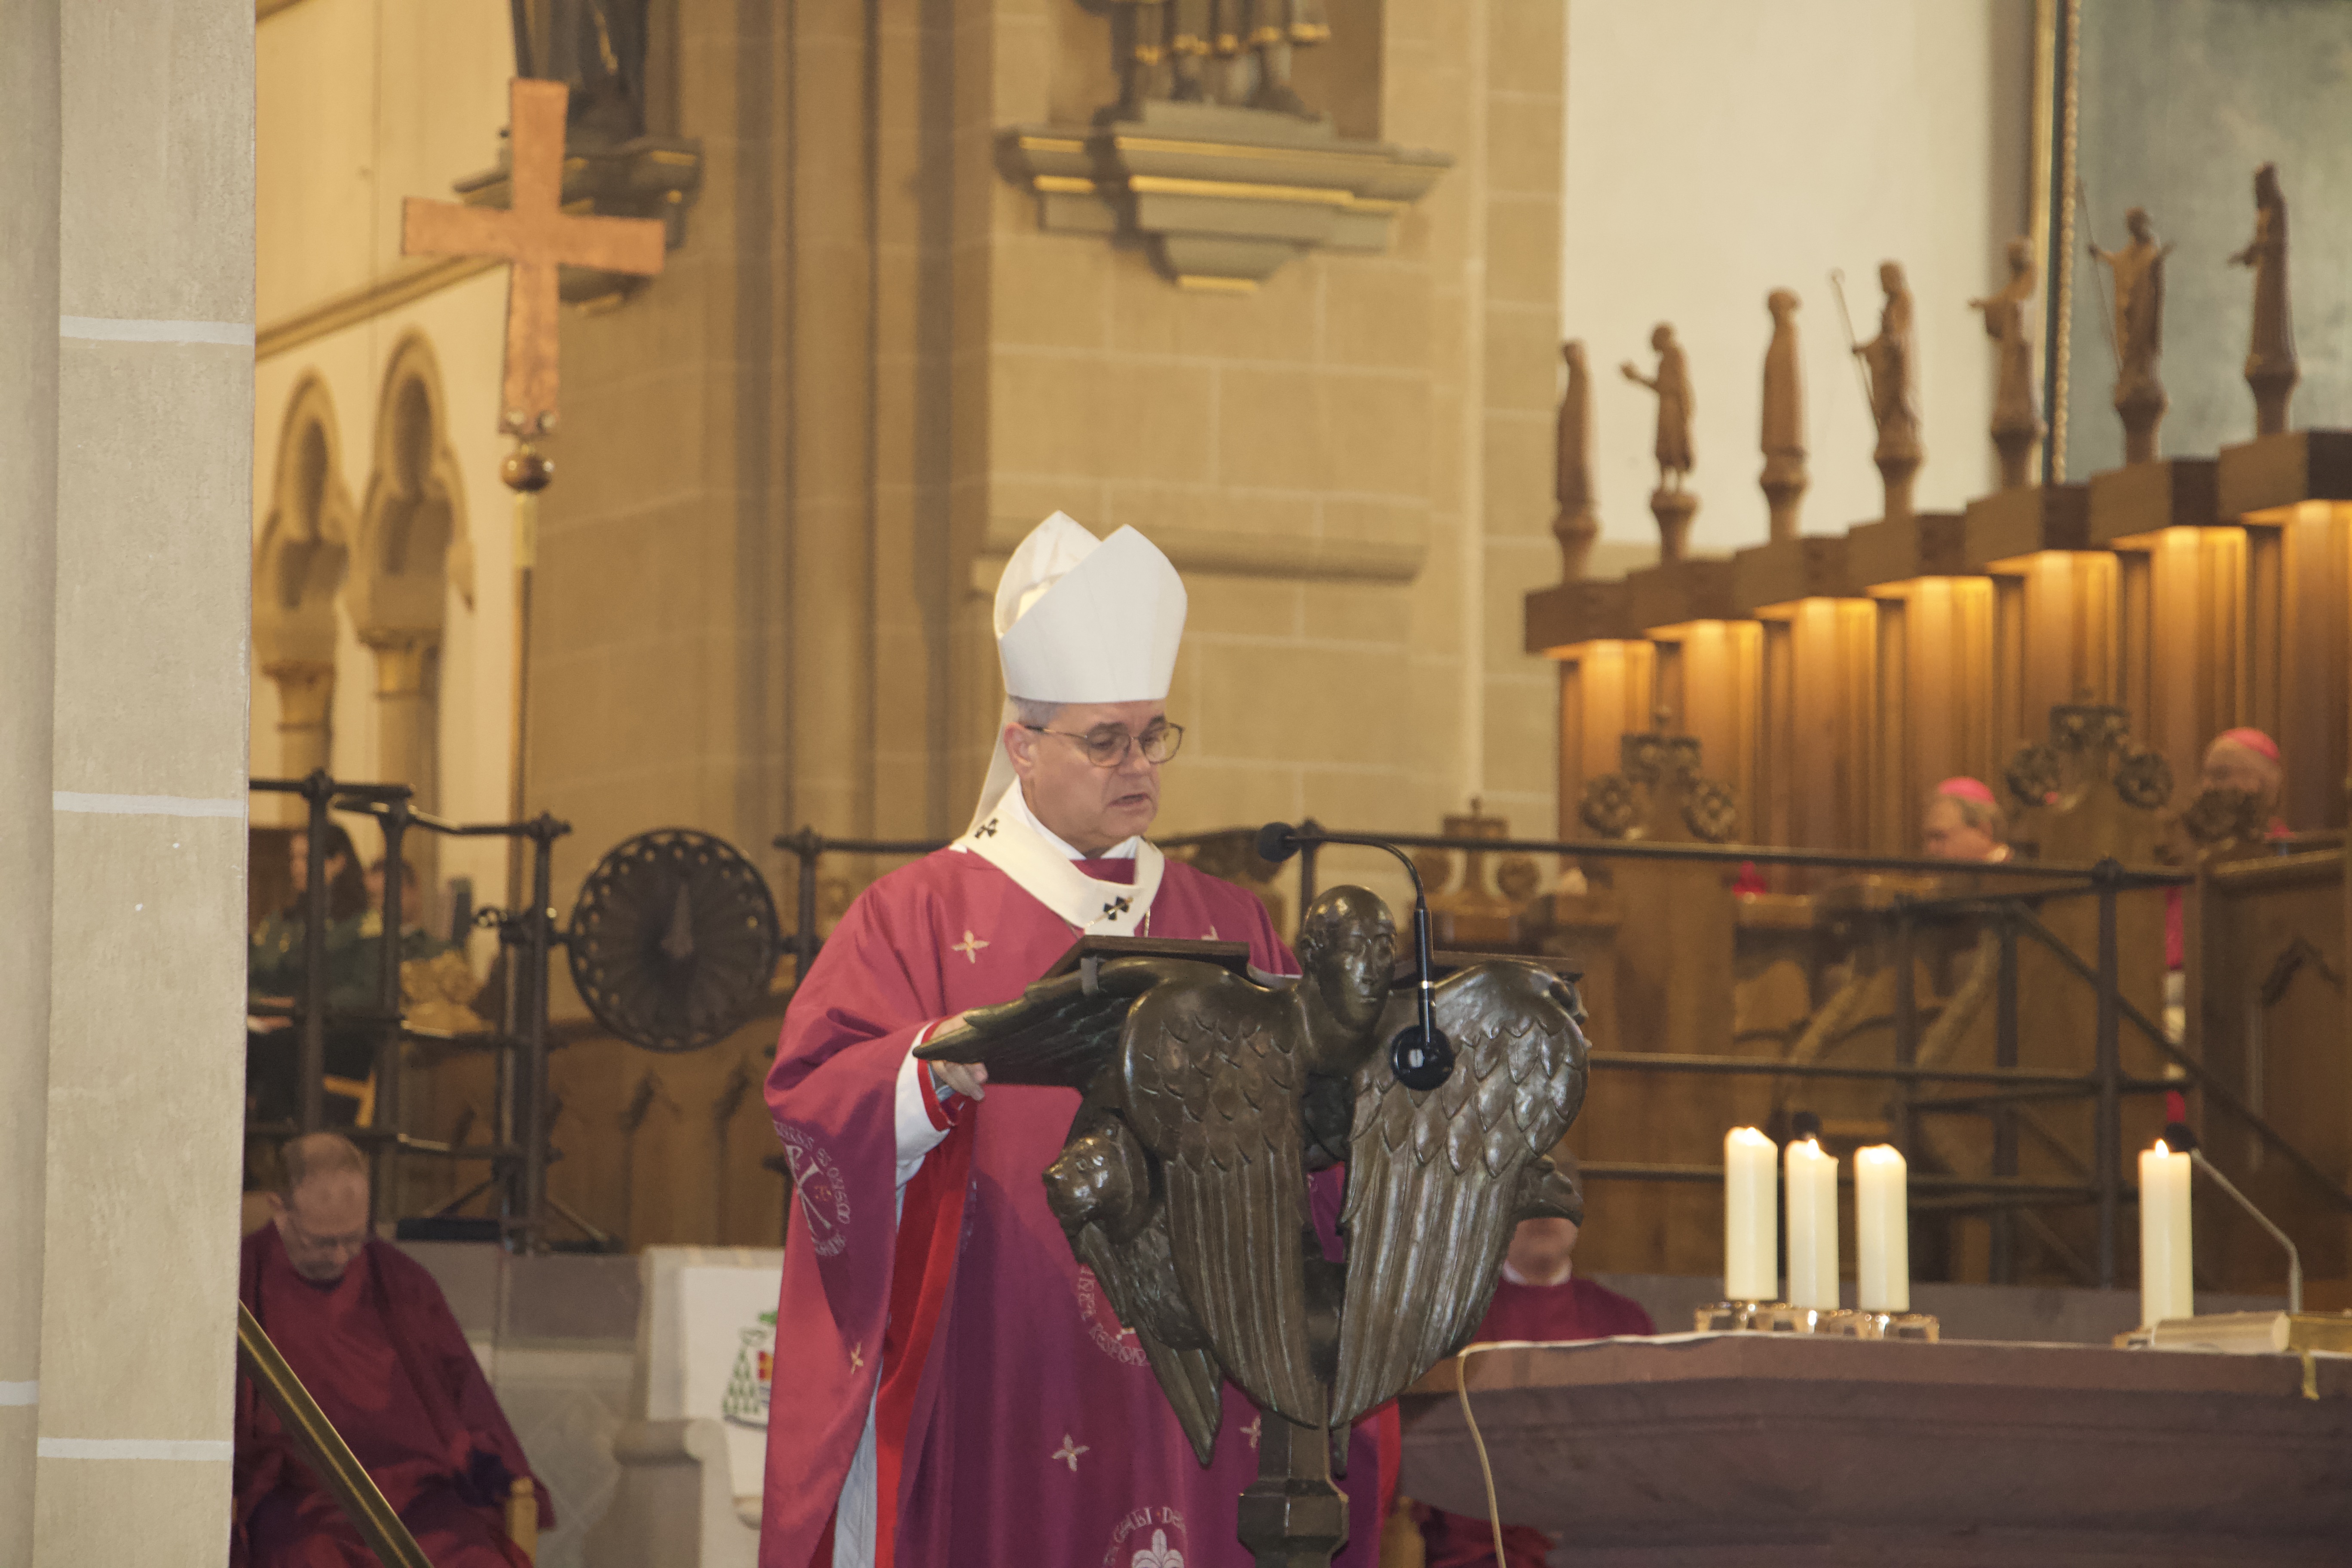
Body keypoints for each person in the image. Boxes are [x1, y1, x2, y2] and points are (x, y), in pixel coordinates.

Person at [760, 511, 1395, 1568]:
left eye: (1153, 735)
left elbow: (1317, 1134)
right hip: (1005, 1359)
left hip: (1207, 1358)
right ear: (1023, 746)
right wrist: (926, 1073)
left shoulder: (1227, 918)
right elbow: (810, 1099)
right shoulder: (915, 915)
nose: (1138, 764)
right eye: (1105, 741)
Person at [233, 1133, 549, 1567]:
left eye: (354, 1238)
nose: (341, 1256)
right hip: (301, 1497)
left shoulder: (402, 1281)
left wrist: (496, 1468)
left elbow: (463, 1390)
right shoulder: (243, 1278)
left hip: (417, 1494)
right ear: (280, 1211)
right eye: (322, 1242)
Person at [1415, 1173, 1653, 1568]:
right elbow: (1429, 1455)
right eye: (1527, 1196)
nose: (1544, 1212)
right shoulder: (1455, 1322)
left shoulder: (1624, 1320)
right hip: (1481, 1541)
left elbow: (1648, 1453)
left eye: (1561, 1195)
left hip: (1599, 1537)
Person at [248, 826, 378, 1125]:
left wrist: (299, 1008)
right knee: (236, 1042)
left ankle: (278, 1139)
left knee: (279, 1047)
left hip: (339, 1033)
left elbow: (368, 992)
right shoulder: (281, 922)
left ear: (338, 863)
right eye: (293, 858)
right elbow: (250, 976)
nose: (296, 867)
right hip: (273, 1025)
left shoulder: (363, 924)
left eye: (307, 858)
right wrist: (262, 1007)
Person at [1920, 778, 2009, 863]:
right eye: (1928, 839)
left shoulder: (2010, 871)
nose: (1931, 849)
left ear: (1983, 830)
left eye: (1940, 837)